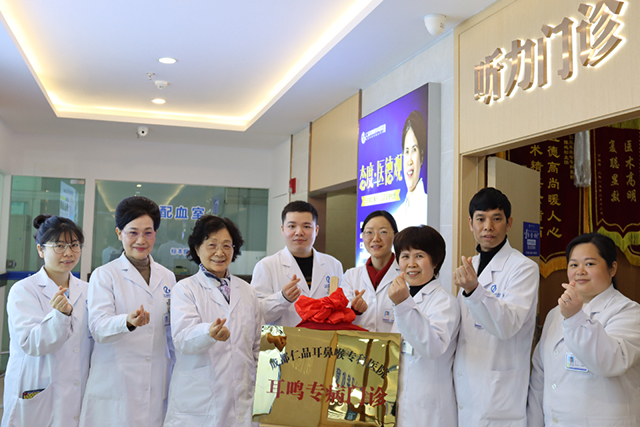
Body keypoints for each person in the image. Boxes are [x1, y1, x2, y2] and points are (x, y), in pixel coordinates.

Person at [79, 196, 176, 427]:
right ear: (119, 233)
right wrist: (127, 322)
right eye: (133, 232)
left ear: (155, 233)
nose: (141, 240)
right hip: (116, 378)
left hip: (156, 378)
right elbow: (98, 328)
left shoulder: (167, 276)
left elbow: (170, 332)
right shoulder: (105, 275)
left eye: (148, 232)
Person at [527, 233, 640, 426]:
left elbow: (609, 362)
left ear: (612, 268)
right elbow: (540, 374)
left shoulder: (628, 311)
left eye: (589, 264)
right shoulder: (556, 313)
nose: (580, 271)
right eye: (573, 265)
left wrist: (574, 318)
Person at [452, 187, 539, 427]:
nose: (488, 227)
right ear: (471, 224)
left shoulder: (523, 268)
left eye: (496, 219)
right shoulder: (471, 264)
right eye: (480, 219)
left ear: (509, 223)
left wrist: (474, 290)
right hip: (466, 385)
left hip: (500, 393)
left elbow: (507, 325)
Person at [164, 215, 261, 427]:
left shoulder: (248, 291)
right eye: (212, 245)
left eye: (227, 245)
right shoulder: (185, 289)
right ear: (197, 249)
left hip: (243, 396)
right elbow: (181, 339)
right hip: (199, 401)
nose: (220, 252)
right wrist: (209, 333)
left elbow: (256, 346)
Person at [2, 215, 92, 427]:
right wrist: (60, 316)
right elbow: (32, 343)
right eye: (59, 246)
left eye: (74, 245)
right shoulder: (24, 290)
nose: (68, 253)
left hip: (77, 390)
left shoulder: (87, 290)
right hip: (38, 388)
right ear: (40, 250)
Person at [388, 225, 460, 426]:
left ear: (435, 261)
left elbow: (432, 347)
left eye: (419, 256)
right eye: (405, 256)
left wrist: (403, 304)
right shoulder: (402, 295)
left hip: (430, 407)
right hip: (403, 400)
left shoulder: (444, 302)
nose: (411, 264)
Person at [251, 201, 343, 326]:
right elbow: (256, 314)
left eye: (306, 226)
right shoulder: (266, 266)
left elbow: (340, 307)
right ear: (283, 229)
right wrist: (282, 298)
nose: (299, 232)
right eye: (292, 226)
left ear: (316, 230)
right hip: (282, 337)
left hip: (323, 336)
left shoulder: (333, 264)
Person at [341, 210, 401, 332]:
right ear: (363, 236)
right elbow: (341, 316)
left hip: (395, 343)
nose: (375, 239)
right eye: (369, 232)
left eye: (383, 232)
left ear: (395, 236)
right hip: (358, 343)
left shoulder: (405, 275)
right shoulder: (351, 276)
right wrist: (355, 310)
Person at [393, 110, 428, 231]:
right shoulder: (396, 215)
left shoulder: (428, 205)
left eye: (414, 150)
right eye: (406, 151)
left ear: (421, 157)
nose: (409, 161)